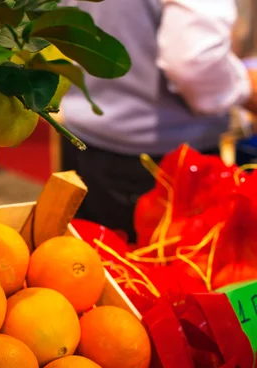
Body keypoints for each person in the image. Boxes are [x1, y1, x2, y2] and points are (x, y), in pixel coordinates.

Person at [58, 0, 257, 243]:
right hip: (160, 163)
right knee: (158, 272)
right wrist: (245, 87)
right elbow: (194, 62)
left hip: (88, 137)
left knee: (94, 265)